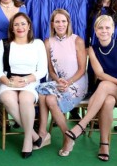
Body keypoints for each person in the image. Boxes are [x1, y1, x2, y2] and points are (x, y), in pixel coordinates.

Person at [64, 16, 117, 161]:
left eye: (107, 28)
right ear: (95, 31)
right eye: (100, 28)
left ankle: (81, 126)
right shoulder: (92, 49)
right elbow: (100, 74)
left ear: (113, 30)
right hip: (102, 92)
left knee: (105, 87)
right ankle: (104, 144)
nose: (104, 31)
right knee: (108, 100)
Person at [0, 12, 48, 158]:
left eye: (23, 24)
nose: (20, 27)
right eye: (16, 24)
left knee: (25, 100)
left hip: (30, 82)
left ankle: (27, 140)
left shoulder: (38, 43)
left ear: (29, 26)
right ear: (12, 28)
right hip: (9, 81)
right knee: (7, 98)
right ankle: (32, 134)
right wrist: (9, 82)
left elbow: (43, 70)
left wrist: (26, 80)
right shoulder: (4, 43)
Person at [36, 9, 88, 155]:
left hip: (77, 83)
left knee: (48, 97)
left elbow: (82, 69)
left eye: (63, 21)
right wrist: (57, 79)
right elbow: (50, 69)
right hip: (57, 82)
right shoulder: (48, 42)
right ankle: (59, 134)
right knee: (44, 94)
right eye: (57, 21)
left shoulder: (77, 40)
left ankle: (53, 135)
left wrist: (69, 82)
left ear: (68, 23)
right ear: (52, 24)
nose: (60, 24)